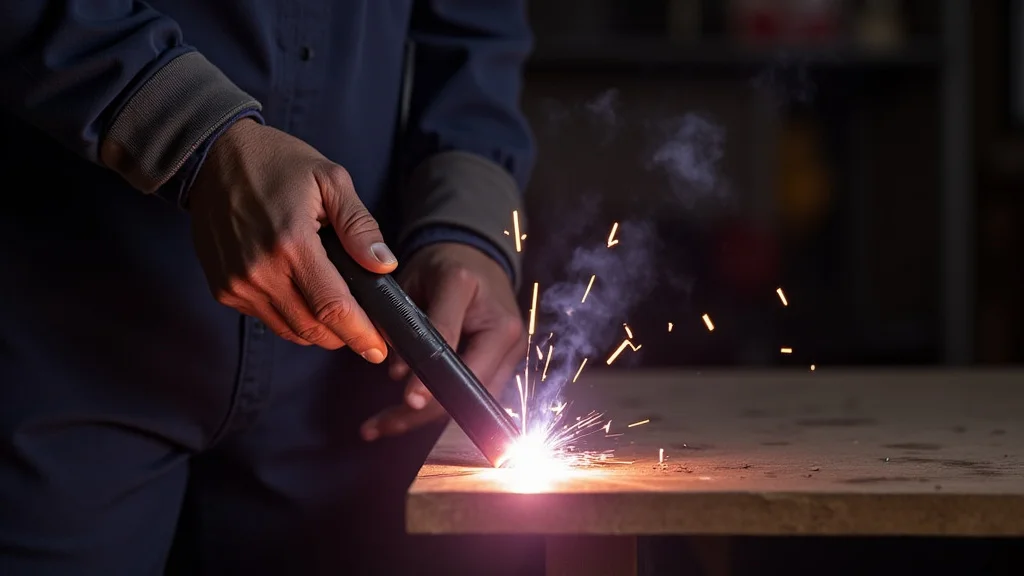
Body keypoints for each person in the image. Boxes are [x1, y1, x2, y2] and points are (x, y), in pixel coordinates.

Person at [0, 1, 535, 574]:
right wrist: (193, 130)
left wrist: (465, 222)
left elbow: (476, 28)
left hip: (335, 385)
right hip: (61, 329)